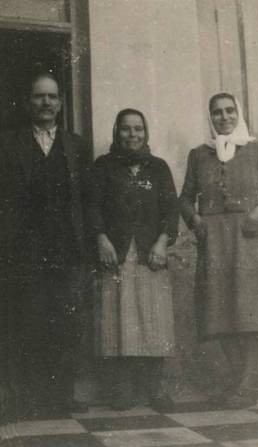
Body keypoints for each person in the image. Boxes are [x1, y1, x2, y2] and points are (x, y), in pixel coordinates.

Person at [179, 92, 258, 408]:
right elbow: (185, 197)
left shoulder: (255, 149)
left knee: (250, 312)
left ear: (238, 114)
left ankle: (246, 383)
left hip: (248, 238)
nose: (224, 117)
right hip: (213, 240)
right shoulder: (198, 154)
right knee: (219, 310)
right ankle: (237, 381)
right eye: (217, 112)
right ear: (210, 117)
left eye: (229, 111)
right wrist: (195, 219)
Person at [0, 71, 90, 419]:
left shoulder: (76, 145)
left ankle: (61, 396)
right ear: (28, 102)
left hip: (65, 249)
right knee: (24, 321)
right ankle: (23, 398)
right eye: (39, 97)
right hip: (21, 250)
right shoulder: (8, 143)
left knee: (64, 322)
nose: (46, 103)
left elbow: (86, 198)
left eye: (52, 97)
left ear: (61, 104)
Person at [87, 108, 178, 412]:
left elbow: (170, 211)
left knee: (154, 322)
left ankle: (156, 389)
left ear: (146, 133)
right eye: (126, 129)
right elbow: (92, 208)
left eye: (138, 129)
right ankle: (121, 390)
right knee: (117, 321)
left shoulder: (159, 168)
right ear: (116, 132)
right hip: (116, 254)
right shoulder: (103, 167)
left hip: (151, 255)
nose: (132, 135)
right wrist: (101, 239)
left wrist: (163, 243)